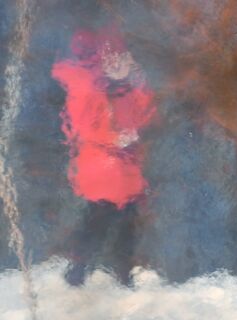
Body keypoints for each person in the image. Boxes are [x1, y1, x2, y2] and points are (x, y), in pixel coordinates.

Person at [51, 28, 156, 287]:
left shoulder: (131, 91)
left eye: (122, 58)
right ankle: (77, 271)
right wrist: (114, 139)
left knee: (127, 226)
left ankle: (123, 274)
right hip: (99, 171)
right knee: (95, 223)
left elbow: (146, 117)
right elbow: (83, 128)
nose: (118, 64)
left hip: (128, 174)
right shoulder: (89, 91)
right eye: (111, 59)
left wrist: (140, 86)